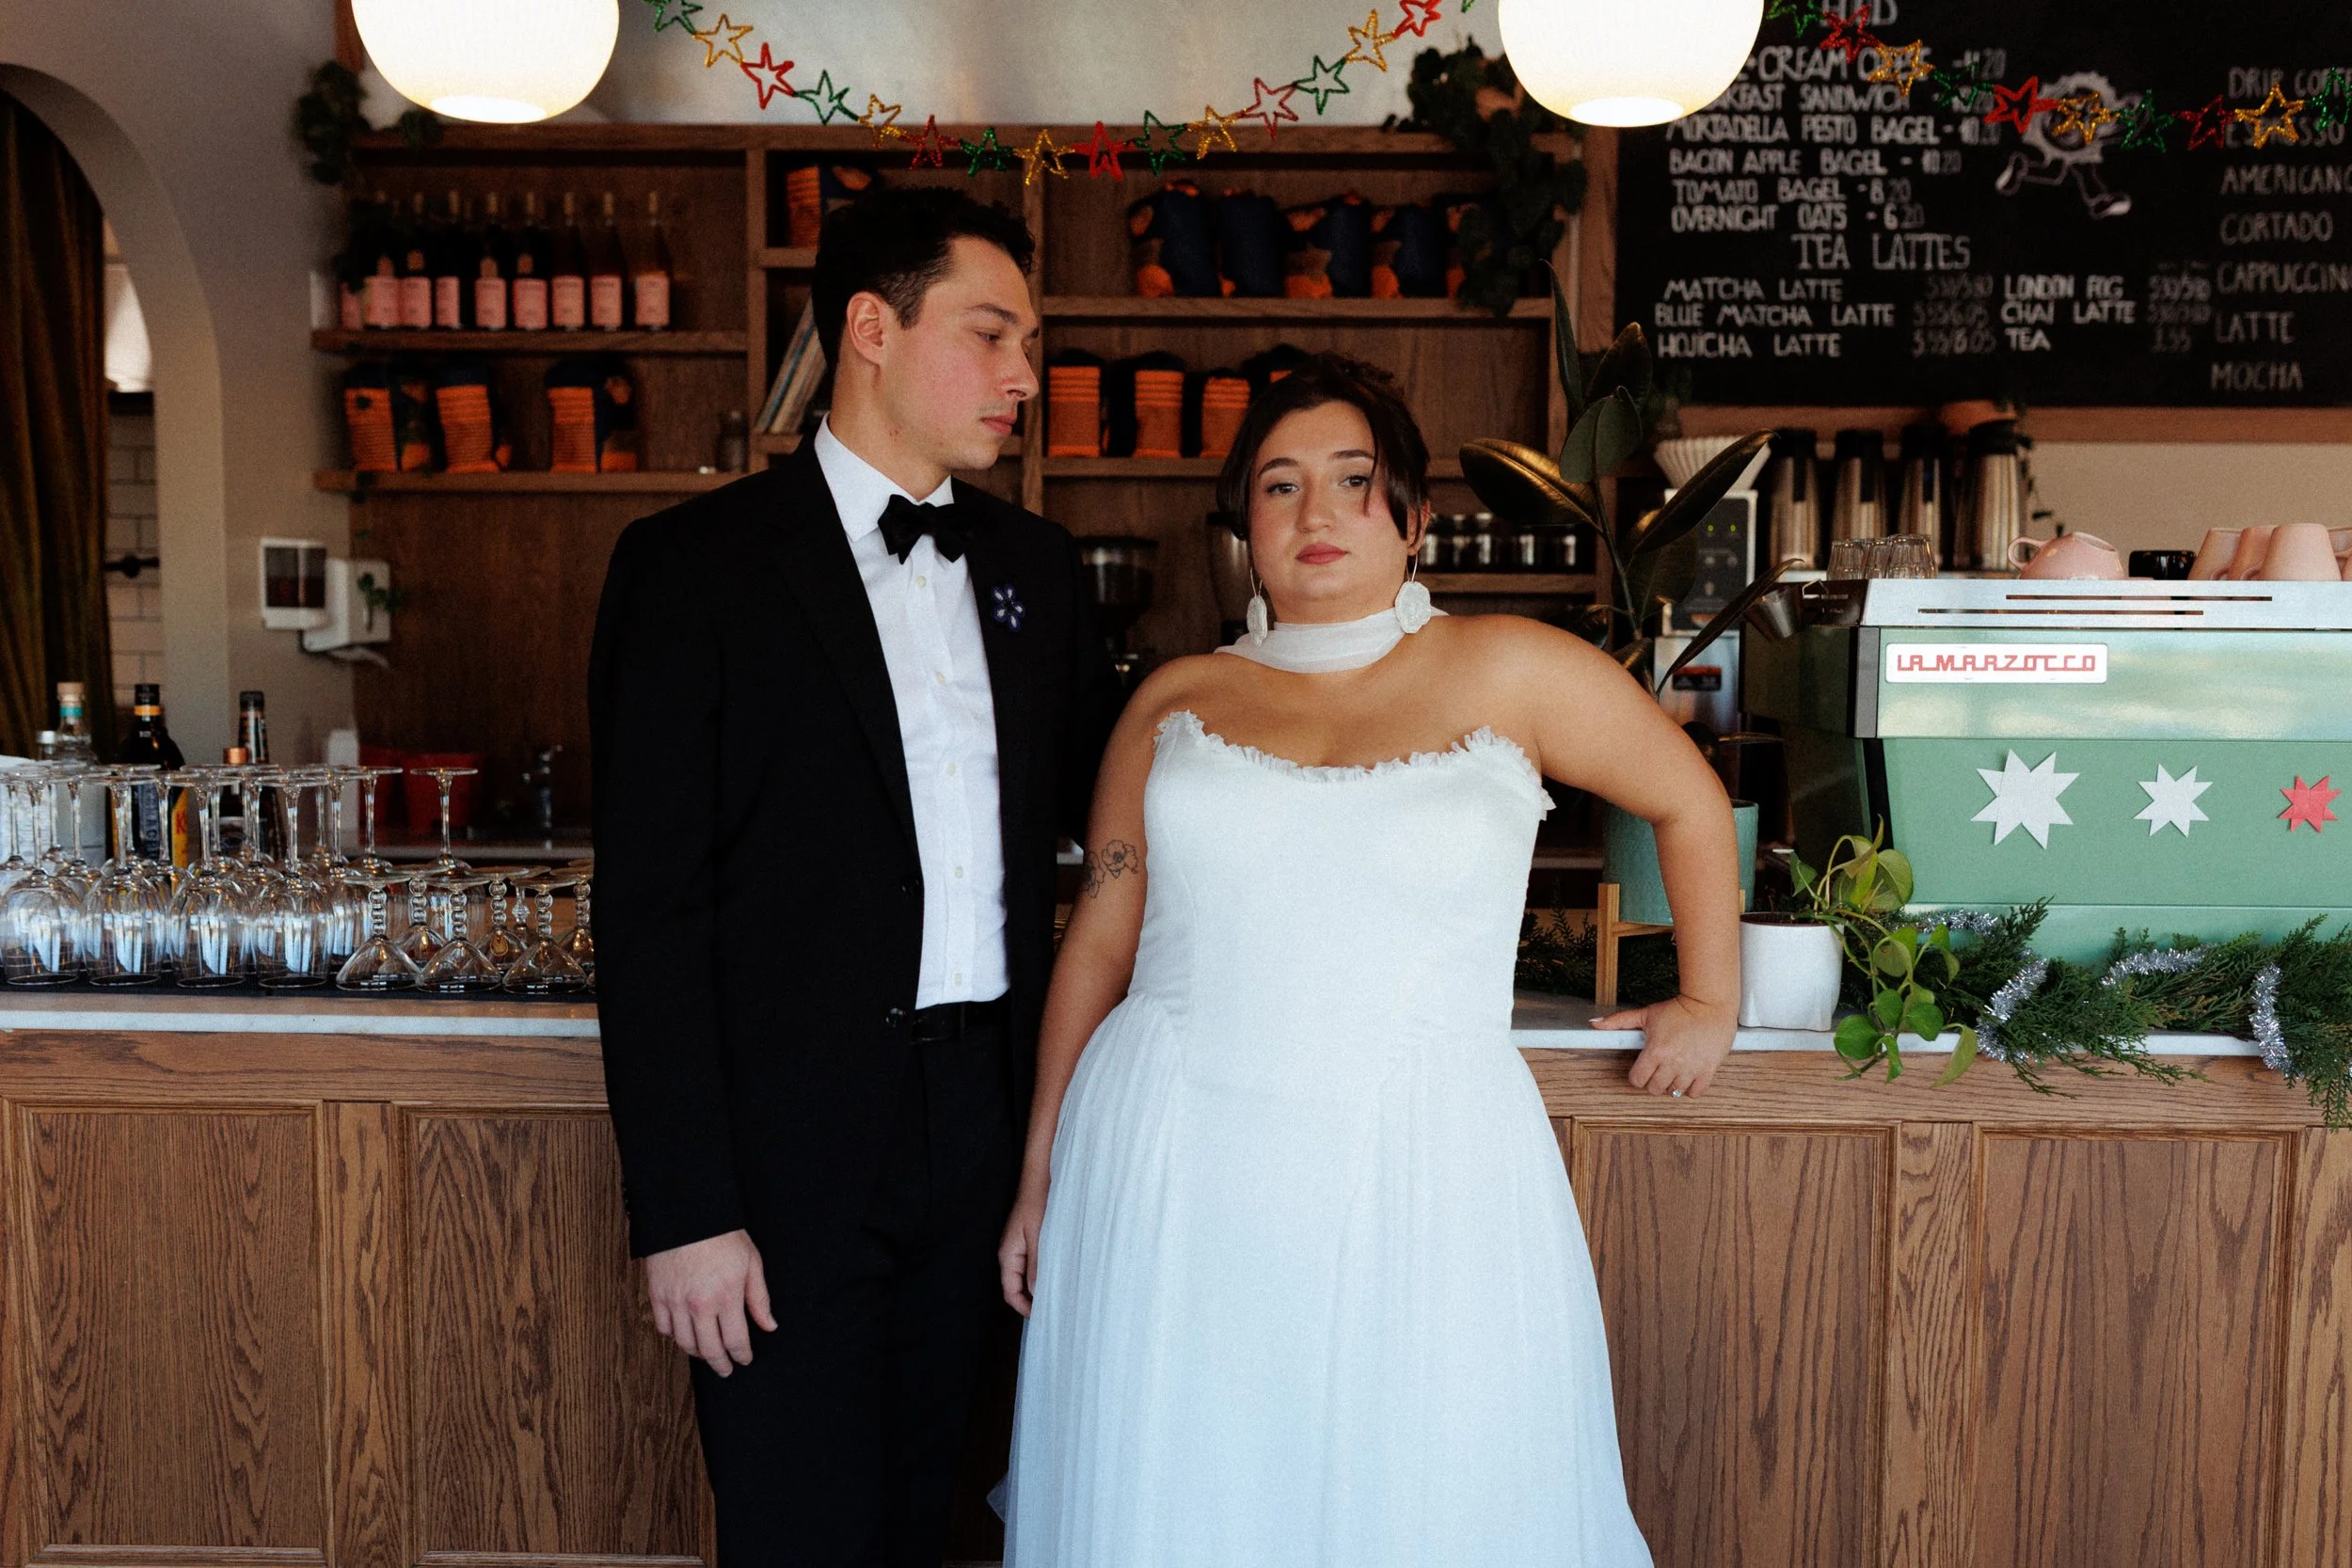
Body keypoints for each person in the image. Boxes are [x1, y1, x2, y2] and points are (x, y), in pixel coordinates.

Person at [998, 353, 1740, 1564]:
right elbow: (1103, 934)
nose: (1317, 513)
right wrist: (1040, 1175)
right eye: (1280, 487)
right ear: (1245, 527)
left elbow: (1691, 802)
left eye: (1354, 479)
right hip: (1176, 1160)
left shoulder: (1510, 666)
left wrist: (1709, 997)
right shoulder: (1176, 701)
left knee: (1423, 1479)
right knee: (1188, 1487)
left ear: (1413, 518)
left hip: (1423, 1161)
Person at [588, 186, 1120, 1566]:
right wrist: (689, 1209)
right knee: (798, 1530)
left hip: (988, 1141)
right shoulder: (688, 568)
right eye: (994, 334)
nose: (1026, 376)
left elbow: (1113, 829)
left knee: (952, 1521)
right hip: (783, 1158)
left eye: (1033, 342)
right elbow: (649, 915)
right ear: (871, 329)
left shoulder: (1039, 570)